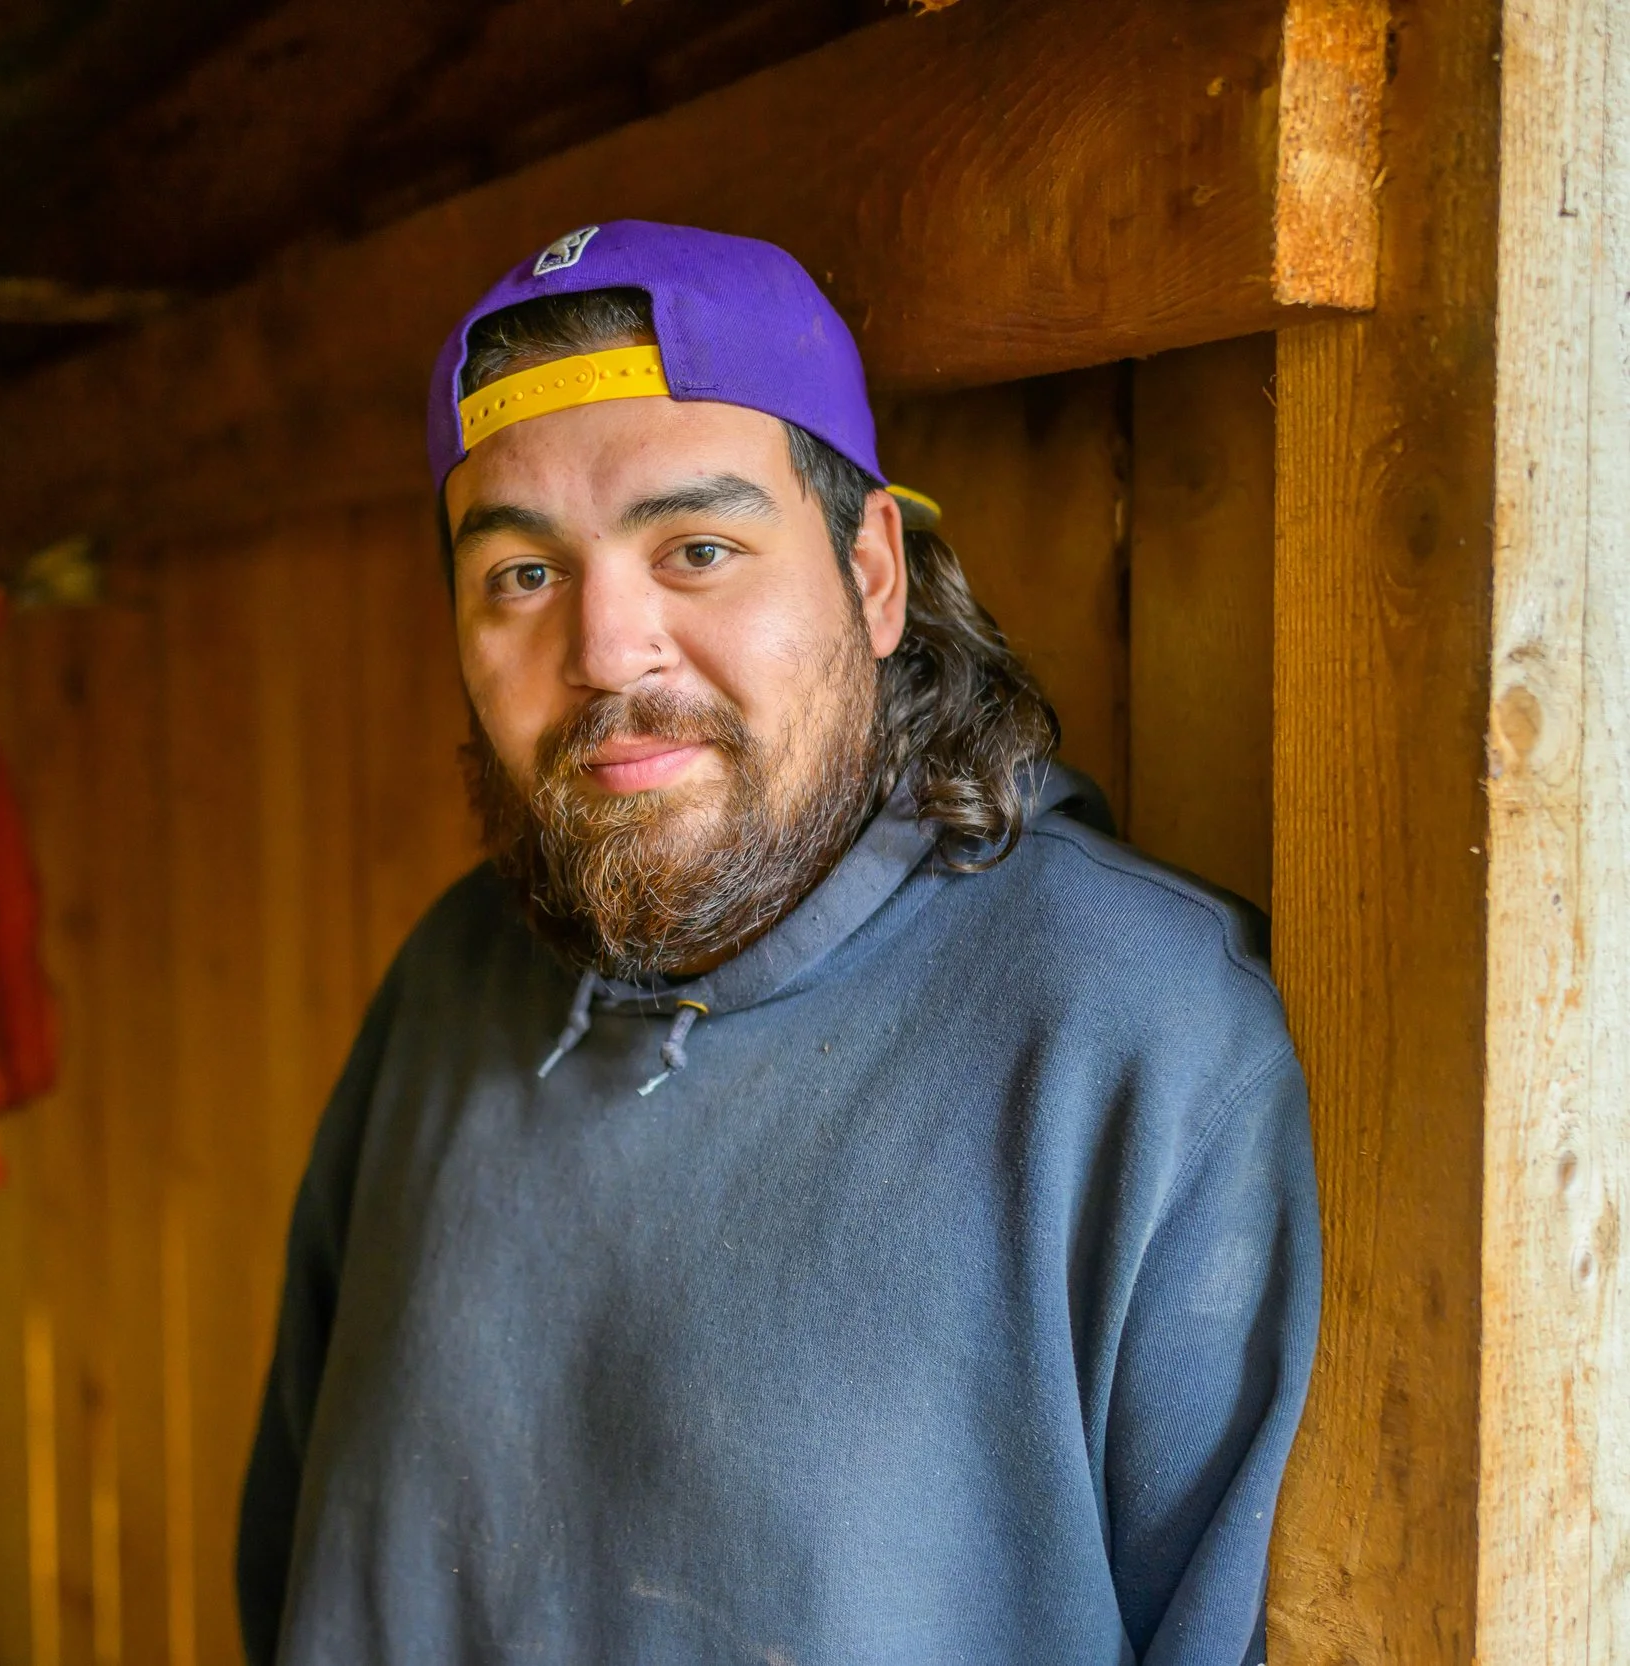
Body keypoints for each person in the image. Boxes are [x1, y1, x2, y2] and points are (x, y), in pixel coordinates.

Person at [235, 220, 1319, 1665]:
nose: (608, 649)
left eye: (696, 547)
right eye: (520, 575)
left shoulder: (1141, 1039)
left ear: (874, 575)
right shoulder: (446, 986)